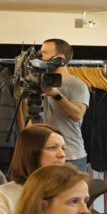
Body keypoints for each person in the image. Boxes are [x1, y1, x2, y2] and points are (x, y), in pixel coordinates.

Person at [29, 37, 92, 165]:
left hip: (70, 155)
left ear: (60, 58)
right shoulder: (40, 83)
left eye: (44, 53)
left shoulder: (77, 85)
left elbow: (77, 115)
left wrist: (57, 95)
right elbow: (35, 116)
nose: (40, 57)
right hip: (44, 155)